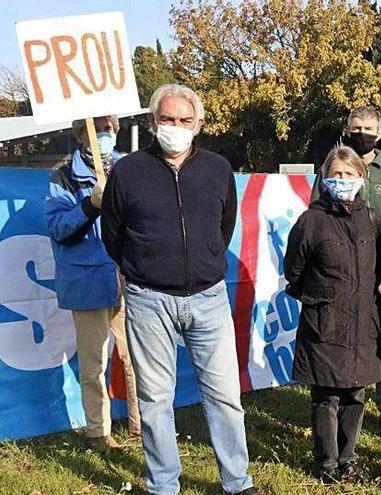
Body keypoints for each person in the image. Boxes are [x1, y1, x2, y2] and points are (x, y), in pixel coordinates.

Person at [101, 84, 256, 495]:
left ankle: (237, 482)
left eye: (185, 120)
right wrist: (148, 267)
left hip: (208, 298)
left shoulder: (219, 168)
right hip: (148, 300)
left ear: (199, 124)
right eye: (167, 119)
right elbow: (112, 235)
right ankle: (163, 485)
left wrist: (201, 261)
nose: (176, 127)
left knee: (224, 396)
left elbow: (223, 228)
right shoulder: (127, 171)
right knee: (154, 400)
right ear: (153, 122)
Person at [285, 146, 381, 484]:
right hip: (324, 323)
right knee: (326, 396)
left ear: (361, 177)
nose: (342, 180)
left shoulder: (373, 221)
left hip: (361, 322)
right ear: (325, 179)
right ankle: (327, 463)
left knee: (355, 394)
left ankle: (348, 459)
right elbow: (294, 271)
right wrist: (322, 298)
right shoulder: (311, 221)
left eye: (348, 174)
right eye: (335, 175)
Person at [45, 115, 140, 452]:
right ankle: (98, 434)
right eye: (97, 129)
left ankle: (141, 424)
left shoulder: (129, 168)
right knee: (94, 363)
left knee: (137, 356)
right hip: (86, 280)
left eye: (110, 129)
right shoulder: (63, 176)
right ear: (79, 135)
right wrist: (90, 205)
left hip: (128, 276)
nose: (105, 135)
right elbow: (58, 229)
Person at [312, 107, 381, 435]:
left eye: (368, 128)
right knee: (344, 342)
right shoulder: (333, 166)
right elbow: (315, 215)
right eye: (356, 127)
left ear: (379, 133)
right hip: (341, 278)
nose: (362, 133)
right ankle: (342, 400)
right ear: (347, 129)